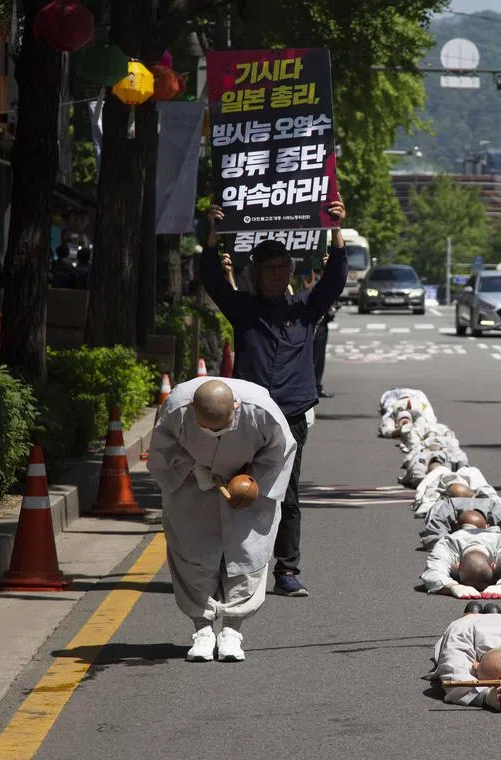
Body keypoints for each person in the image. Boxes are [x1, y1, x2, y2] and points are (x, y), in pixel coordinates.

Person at [201, 198, 348, 598]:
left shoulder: (305, 309)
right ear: (256, 273)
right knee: (240, 489)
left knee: (289, 493)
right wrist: (212, 236)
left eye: (283, 268)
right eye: (270, 269)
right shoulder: (243, 309)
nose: (278, 274)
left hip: (293, 415)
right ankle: (234, 564)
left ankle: (287, 570)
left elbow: (333, 282)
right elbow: (213, 281)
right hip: (246, 417)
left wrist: (336, 233)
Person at [147, 378, 296, 662]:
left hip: (248, 486)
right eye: (208, 429)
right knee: (192, 555)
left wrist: (252, 481)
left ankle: (232, 630)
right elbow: (161, 454)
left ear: (237, 408)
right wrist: (196, 470)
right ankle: (202, 630)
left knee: (246, 555)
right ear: (192, 409)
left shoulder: (261, 408)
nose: (215, 434)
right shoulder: (176, 407)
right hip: (191, 485)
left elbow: (281, 452)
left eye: (223, 429)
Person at [421, 528, 501, 599]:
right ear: (493, 566)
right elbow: (432, 572)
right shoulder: (447, 544)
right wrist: (453, 587)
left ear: (458, 566)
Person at [420, 493, 501, 550]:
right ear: (456, 527)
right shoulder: (445, 510)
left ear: (487, 526)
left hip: (481, 499)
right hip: (447, 499)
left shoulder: (498, 512)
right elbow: (432, 538)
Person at [301, 259, 337, 398]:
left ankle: (317, 384)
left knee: (319, 355)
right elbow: (307, 287)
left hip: (323, 320)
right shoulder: (306, 271)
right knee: (312, 355)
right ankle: (310, 386)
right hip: (310, 320)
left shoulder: (323, 274)